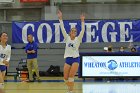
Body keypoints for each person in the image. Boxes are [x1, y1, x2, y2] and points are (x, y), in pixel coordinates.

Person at [57, 10, 85, 93]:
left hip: (75, 59)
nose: (74, 32)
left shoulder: (78, 39)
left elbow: (83, 30)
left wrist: (82, 21)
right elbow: (62, 28)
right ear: (70, 32)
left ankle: (71, 91)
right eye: (72, 31)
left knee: (71, 76)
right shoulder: (67, 38)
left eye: (75, 31)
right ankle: (70, 88)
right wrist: (60, 18)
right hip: (68, 59)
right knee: (65, 77)